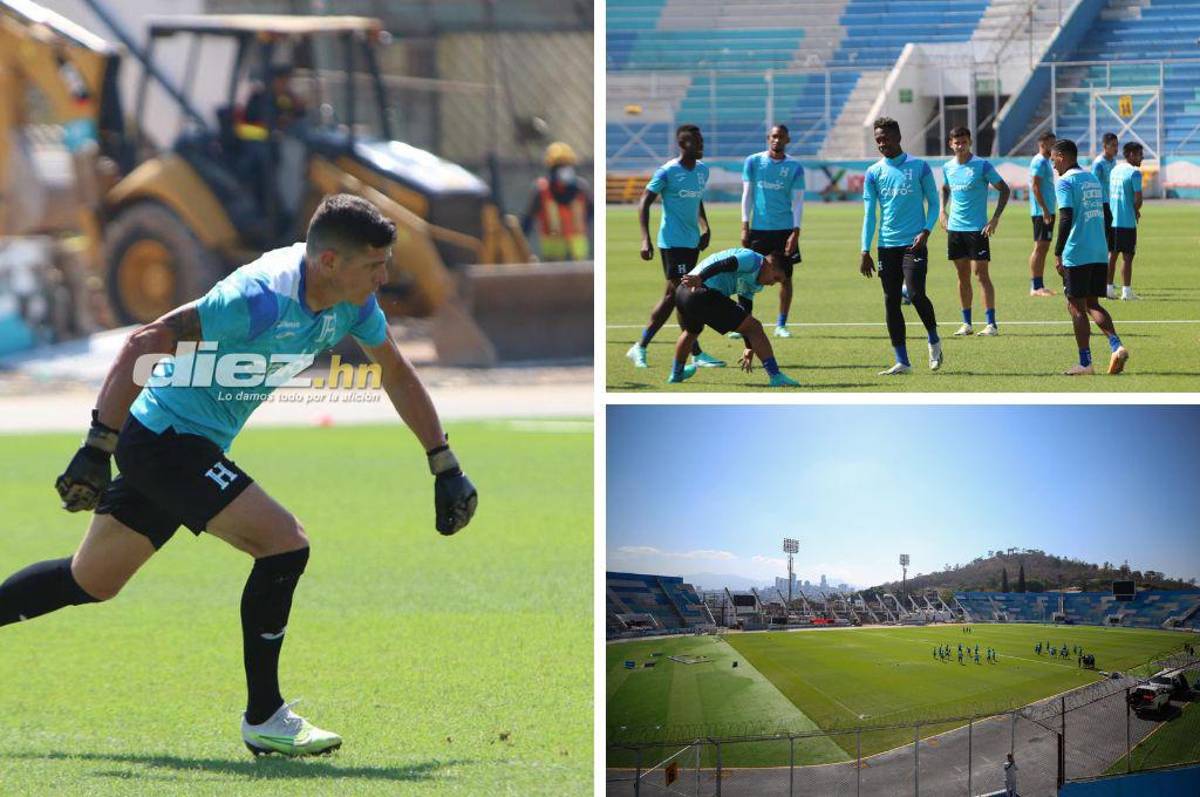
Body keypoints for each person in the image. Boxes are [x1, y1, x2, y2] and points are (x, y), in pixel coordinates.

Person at [6, 194, 478, 756]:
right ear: (329, 262)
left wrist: (442, 461)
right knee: (285, 544)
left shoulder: (353, 305)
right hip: (163, 440)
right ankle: (265, 716)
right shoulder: (257, 298)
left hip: (181, 442)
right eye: (374, 265)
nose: (384, 276)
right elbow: (144, 341)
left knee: (90, 581)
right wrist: (95, 446)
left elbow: (396, 375)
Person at [626, 125, 723, 370]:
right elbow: (644, 202)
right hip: (672, 243)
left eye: (701, 141)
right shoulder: (668, 171)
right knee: (676, 295)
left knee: (679, 296)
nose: (701, 146)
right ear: (682, 145)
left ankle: (692, 352)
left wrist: (705, 227)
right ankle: (643, 346)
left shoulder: (702, 171)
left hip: (691, 242)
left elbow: (697, 199)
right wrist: (645, 239)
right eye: (695, 142)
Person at [859, 117, 943, 376]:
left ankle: (933, 340)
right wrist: (865, 250)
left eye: (885, 138)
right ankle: (902, 361)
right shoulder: (873, 172)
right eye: (878, 140)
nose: (881, 143)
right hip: (887, 245)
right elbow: (869, 215)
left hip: (914, 243)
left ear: (898, 137)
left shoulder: (919, 166)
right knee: (890, 301)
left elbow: (935, 203)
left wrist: (926, 231)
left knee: (916, 294)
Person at [1050, 138, 1130, 375]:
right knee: (1093, 303)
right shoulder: (1093, 179)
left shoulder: (1065, 182)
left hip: (1077, 251)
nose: (1053, 164)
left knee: (1075, 305)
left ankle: (1085, 363)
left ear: (1062, 157)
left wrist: (1058, 252)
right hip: (1098, 251)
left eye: (1053, 159)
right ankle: (1116, 345)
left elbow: (1065, 217)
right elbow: (1107, 215)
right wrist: (1103, 242)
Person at [668, 247, 800, 387]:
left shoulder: (755, 280)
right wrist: (701, 278)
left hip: (683, 292)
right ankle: (776, 376)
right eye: (776, 278)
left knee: (691, 332)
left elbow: (745, 309)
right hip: (700, 290)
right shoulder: (753, 260)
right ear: (770, 264)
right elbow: (726, 263)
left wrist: (749, 347)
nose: (773, 283)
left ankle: (677, 374)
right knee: (755, 327)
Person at [940, 127, 1010, 336]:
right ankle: (967, 324)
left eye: (964, 142)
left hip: (977, 230)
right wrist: (943, 211)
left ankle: (991, 324)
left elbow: (1004, 189)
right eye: (956, 142)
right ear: (950, 144)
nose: (960, 146)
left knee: (981, 275)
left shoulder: (982, 165)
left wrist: (995, 218)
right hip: (955, 230)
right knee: (962, 276)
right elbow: (945, 188)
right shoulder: (948, 167)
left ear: (970, 142)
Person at [739, 124, 805, 338]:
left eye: (781, 137)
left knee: (786, 278)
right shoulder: (754, 162)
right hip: (758, 229)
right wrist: (744, 224)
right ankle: (742, 323)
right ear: (768, 138)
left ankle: (781, 325)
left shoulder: (795, 167)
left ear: (788, 140)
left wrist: (796, 231)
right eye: (774, 136)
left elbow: (798, 202)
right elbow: (747, 195)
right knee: (747, 276)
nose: (777, 140)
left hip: (784, 230)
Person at [521, 141, 593, 262]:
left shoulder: (581, 189)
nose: (564, 170)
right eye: (560, 166)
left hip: (578, 255)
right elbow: (528, 221)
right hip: (553, 257)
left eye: (567, 165)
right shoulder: (541, 190)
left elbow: (592, 212)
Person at [1108, 142, 1144, 300]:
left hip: (1112, 219)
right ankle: (1126, 292)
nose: (1142, 157)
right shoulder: (1135, 172)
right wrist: (1136, 210)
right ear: (1130, 155)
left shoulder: (1115, 169)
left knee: (1112, 255)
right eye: (1139, 154)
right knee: (1128, 257)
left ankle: (1108, 289)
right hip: (1127, 221)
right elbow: (1138, 198)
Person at [1028, 131, 1058, 297]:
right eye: (1051, 143)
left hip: (1047, 210)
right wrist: (1045, 210)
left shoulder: (1045, 161)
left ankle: (1039, 284)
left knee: (1044, 247)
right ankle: (1035, 286)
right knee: (1039, 247)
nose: (1054, 146)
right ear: (1043, 143)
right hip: (1041, 212)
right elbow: (1035, 187)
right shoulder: (1039, 162)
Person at [1090, 132, 1119, 291]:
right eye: (1113, 145)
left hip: (1111, 205)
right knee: (1105, 245)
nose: (1116, 148)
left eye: (1116, 145)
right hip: (1101, 206)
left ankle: (1107, 280)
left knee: (1110, 245)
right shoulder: (1098, 164)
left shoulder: (1113, 161)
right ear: (1104, 146)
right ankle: (1102, 282)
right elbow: (1093, 185)